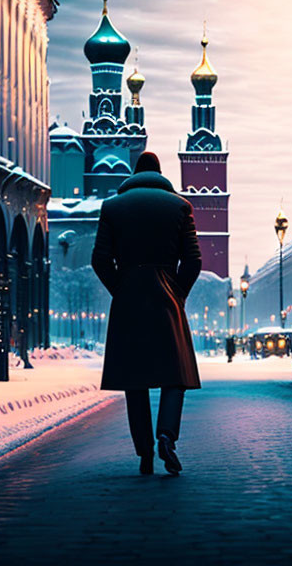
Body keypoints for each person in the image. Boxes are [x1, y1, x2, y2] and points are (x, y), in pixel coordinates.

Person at [91, 152, 201, 476]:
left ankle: (144, 453)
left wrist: (120, 288)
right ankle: (167, 434)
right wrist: (176, 293)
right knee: (175, 374)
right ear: (160, 174)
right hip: (167, 297)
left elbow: (100, 260)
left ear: (134, 175)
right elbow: (193, 261)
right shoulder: (180, 206)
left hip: (128, 299)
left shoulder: (112, 207)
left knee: (133, 379)